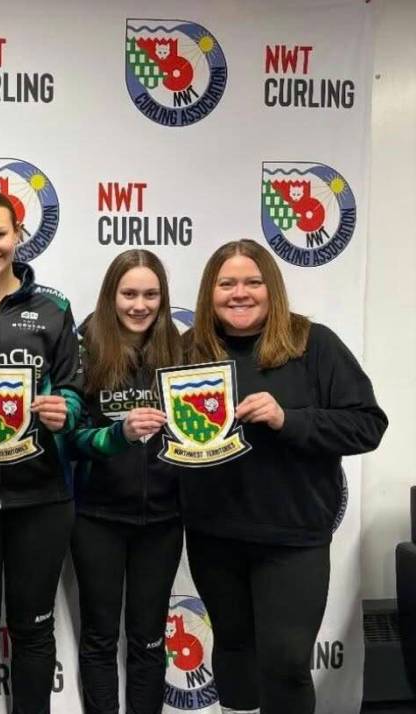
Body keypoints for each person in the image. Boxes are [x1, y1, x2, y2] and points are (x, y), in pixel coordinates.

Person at [0, 189, 126, 713]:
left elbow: (76, 394)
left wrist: (64, 410)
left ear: (17, 234)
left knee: (34, 630)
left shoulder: (55, 308)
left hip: (42, 496)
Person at [180, 239, 387, 714]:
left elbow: (367, 425)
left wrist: (287, 419)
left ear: (271, 288)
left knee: (288, 663)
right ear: (209, 292)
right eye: (226, 283)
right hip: (214, 533)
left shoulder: (313, 344)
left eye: (253, 282)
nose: (240, 293)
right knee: (232, 649)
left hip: (293, 536)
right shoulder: (189, 350)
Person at [68, 249, 179, 714]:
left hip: (165, 518)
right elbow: (70, 439)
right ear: (111, 295)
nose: (140, 304)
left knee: (150, 638)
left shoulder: (181, 347)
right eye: (129, 293)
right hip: (98, 516)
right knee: (98, 637)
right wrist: (118, 434)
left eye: (150, 294)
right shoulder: (84, 345)